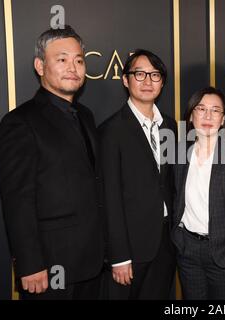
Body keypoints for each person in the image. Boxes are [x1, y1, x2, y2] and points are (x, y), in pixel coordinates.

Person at [0, 25, 105, 299]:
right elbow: (18, 200)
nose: (73, 67)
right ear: (40, 66)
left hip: (92, 262)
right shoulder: (20, 122)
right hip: (50, 267)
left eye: (79, 60)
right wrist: (30, 264)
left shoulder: (86, 115)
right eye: (62, 59)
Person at [99, 49, 177, 299]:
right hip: (130, 249)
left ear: (162, 82)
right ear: (125, 80)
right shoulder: (111, 131)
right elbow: (109, 196)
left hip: (167, 243)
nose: (147, 81)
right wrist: (119, 255)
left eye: (155, 75)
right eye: (139, 74)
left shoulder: (170, 125)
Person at [172, 87, 225, 300]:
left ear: (223, 119)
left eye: (215, 110)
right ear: (191, 115)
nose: (207, 116)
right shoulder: (179, 152)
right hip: (188, 251)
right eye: (201, 109)